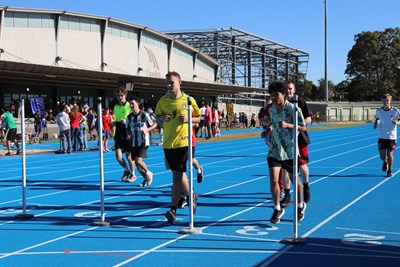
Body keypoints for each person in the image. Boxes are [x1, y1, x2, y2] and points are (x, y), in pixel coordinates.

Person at [155, 71, 200, 224]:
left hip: (183, 142)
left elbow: (198, 118)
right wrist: (162, 118)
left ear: (179, 82)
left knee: (177, 177)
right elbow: (157, 118)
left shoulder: (188, 100)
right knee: (178, 175)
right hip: (168, 143)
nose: (169, 85)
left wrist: (189, 119)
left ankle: (173, 210)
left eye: (171, 82)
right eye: (167, 83)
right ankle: (190, 195)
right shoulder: (163, 101)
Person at [266, 82, 307, 224]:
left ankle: (301, 205)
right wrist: (268, 129)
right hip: (275, 149)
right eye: (271, 95)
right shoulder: (271, 109)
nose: (274, 97)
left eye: (276, 94)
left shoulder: (293, 109)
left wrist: (288, 125)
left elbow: (303, 127)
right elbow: (272, 122)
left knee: (295, 180)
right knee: (274, 180)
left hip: (289, 150)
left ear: (283, 94)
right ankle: (277, 208)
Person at [280, 81, 312, 207]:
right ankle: (287, 195)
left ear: (294, 90)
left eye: (290, 89)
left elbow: (309, 119)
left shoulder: (300, 101)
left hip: (301, 138)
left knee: (302, 164)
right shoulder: (281, 103)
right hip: (286, 139)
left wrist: (297, 123)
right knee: (285, 167)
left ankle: (306, 186)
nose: (288, 91)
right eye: (286, 89)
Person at [126, 96, 157, 186]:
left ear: (137, 104)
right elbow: (127, 129)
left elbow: (154, 124)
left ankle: (148, 173)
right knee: (136, 163)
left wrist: (147, 130)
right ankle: (146, 178)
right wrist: (128, 134)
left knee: (138, 161)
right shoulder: (129, 117)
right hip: (133, 142)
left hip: (143, 141)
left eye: (133, 103)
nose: (131, 105)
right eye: (130, 104)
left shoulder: (144, 115)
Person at [373, 93, 400, 177]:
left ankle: (390, 171)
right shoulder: (378, 111)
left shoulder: (395, 110)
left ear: (390, 100)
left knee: (390, 154)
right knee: (381, 155)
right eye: (384, 100)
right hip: (382, 136)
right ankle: (385, 161)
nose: (386, 102)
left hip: (392, 137)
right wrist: (376, 123)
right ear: (382, 101)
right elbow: (377, 119)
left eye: (387, 100)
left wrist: (397, 122)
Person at [113, 87, 135, 182]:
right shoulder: (116, 106)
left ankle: (133, 174)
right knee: (118, 156)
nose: (120, 97)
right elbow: (116, 118)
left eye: (121, 95)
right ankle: (127, 170)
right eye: (118, 96)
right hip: (118, 131)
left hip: (127, 132)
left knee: (128, 156)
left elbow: (133, 118)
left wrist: (127, 121)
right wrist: (114, 123)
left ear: (125, 95)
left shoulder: (129, 106)